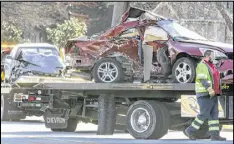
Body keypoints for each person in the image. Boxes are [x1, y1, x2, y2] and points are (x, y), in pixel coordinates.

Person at [185, 50, 226, 141]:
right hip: (205, 94)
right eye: (213, 55)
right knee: (203, 114)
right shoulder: (202, 65)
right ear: (208, 56)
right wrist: (209, 88)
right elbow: (202, 78)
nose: (214, 57)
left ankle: (215, 135)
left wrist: (224, 74)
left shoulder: (212, 66)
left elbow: (214, 78)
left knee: (214, 116)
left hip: (213, 94)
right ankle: (190, 130)